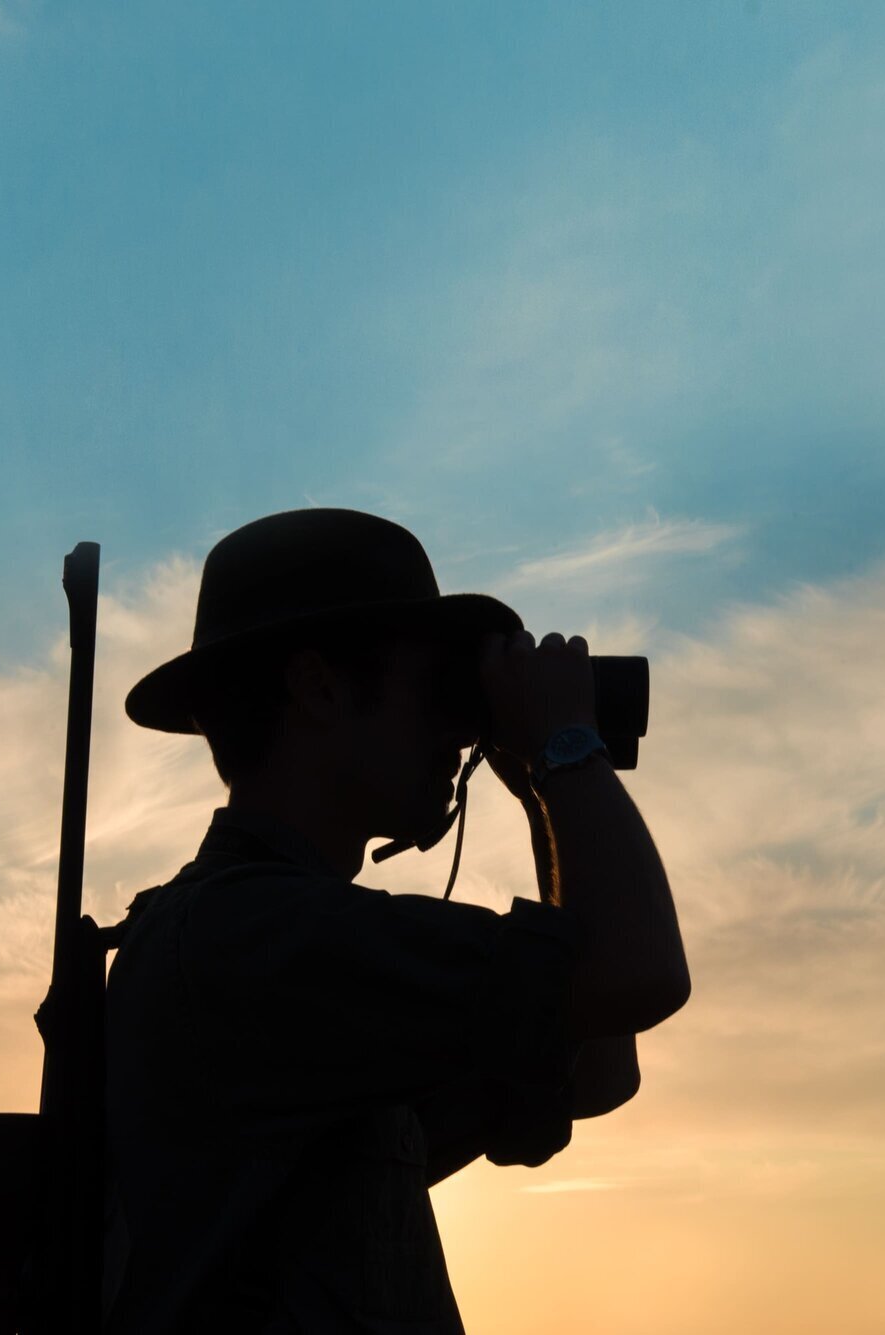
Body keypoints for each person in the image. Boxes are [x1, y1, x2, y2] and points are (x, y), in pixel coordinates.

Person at [101, 508, 691, 1333]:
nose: (458, 730)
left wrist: (539, 789)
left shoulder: (276, 947)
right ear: (318, 686)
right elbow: (641, 972)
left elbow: (596, 1069)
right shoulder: (261, 936)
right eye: (435, 685)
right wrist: (563, 745)